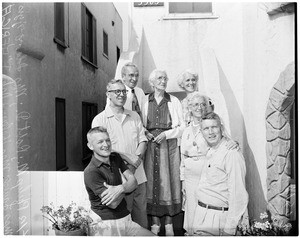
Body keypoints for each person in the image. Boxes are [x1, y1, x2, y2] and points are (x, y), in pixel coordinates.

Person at [92, 79, 148, 229]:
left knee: (142, 222)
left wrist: (135, 162)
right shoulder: (100, 119)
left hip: (139, 177)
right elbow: (101, 149)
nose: (121, 95)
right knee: (123, 224)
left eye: (123, 91)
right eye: (117, 91)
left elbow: (143, 140)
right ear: (108, 94)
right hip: (117, 180)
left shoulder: (134, 116)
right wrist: (126, 157)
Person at [180, 92, 239, 235]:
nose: (199, 107)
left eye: (202, 104)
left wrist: (234, 143)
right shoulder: (186, 129)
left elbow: (225, 140)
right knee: (191, 207)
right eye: (195, 104)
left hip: (206, 175)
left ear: (207, 106)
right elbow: (182, 156)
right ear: (189, 108)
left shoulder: (211, 125)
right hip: (189, 176)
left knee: (203, 207)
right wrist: (182, 180)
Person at [84, 126, 154, 236]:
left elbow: (134, 183)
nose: (106, 145)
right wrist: (126, 184)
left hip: (126, 219)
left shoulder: (115, 157)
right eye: (100, 142)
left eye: (107, 140)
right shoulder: (91, 172)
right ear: (90, 146)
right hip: (106, 224)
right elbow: (113, 203)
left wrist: (119, 188)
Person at [142, 69, 185, 236]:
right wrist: (146, 133)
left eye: (165, 78)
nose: (163, 81)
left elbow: (182, 127)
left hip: (169, 147)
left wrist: (166, 134)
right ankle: (154, 225)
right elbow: (141, 124)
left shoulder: (173, 100)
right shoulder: (146, 100)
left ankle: (168, 226)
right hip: (151, 146)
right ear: (152, 82)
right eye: (160, 78)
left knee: (169, 183)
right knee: (152, 181)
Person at [192, 112, 248, 236]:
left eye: (214, 127)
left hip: (217, 219)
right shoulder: (209, 149)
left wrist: (230, 229)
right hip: (201, 215)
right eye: (206, 128)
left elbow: (238, 194)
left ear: (221, 128)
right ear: (202, 132)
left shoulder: (231, 153)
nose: (210, 132)